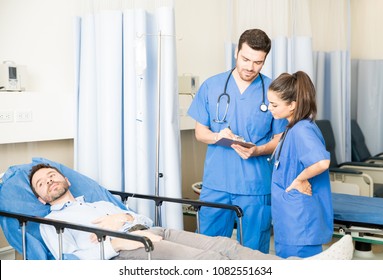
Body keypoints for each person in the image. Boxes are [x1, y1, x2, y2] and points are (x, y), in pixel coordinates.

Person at [29, 163, 353, 260]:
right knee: (212, 264)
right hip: (128, 248)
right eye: (42, 184)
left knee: (229, 247)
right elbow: (70, 258)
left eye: (51, 175)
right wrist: (113, 239)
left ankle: (298, 268)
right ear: (42, 199)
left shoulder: (96, 202)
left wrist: (125, 219)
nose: (50, 181)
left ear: (65, 178)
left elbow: (137, 217)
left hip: (148, 232)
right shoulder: (50, 221)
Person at [187, 29, 288, 253]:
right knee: (206, 248)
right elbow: (200, 132)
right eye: (245, 59)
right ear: (236, 52)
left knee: (253, 251)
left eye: (258, 62)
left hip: (255, 185)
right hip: (216, 183)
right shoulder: (212, 86)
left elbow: (279, 139)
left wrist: (259, 150)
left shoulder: (273, 91)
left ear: (265, 60)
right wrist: (218, 137)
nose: (250, 67)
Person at [267, 71, 333, 258]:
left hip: (299, 222)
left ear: (292, 105)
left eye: (274, 104)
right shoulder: (293, 128)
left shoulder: (301, 130)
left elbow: (321, 162)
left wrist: (299, 179)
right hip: (291, 219)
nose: (269, 108)